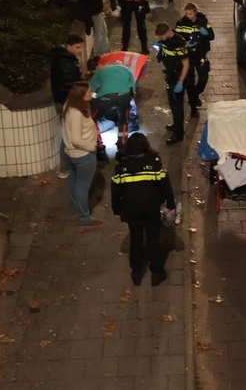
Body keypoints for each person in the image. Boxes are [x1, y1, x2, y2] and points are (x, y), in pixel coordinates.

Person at [111, 133, 175, 286]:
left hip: (131, 209)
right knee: (153, 239)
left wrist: (117, 209)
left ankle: (136, 272)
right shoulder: (154, 163)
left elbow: (115, 190)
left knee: (136, 239)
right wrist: (170, 204)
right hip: (151, 208)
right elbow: (165, 185)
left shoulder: (121, 167)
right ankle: (157, 272)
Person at [62, 82, 104, 227]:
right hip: (83, 155)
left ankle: (76, 208)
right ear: (80, 95)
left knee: (74, 182)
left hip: (72, 154)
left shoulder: (70, 107)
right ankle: (84, 218)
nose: (91, 93)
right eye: (87, 92)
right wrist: (92, 146)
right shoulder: (76, 113)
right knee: (82, 186)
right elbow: (76, 139)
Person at [50, 34, 85, 178]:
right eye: (77, 47)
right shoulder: (67, 64)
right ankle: (65, 168)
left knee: (69, 134)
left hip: (63, 101)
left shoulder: (63, 59)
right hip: (67, 102)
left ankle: (66, 167)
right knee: (69, 135)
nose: (80, 50)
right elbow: (71, 86)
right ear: (68, 46)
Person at [174, 2, 214, 117]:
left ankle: (195, 94)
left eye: (190, 14)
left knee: (203, 77)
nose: (188, 16)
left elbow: (211, 36)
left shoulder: (203, 21)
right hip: (188, 56)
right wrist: (185, 44)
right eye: (187, 13)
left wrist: (204, 32)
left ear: (195, 12)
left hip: (201, 53)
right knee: (190, 81)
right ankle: (193, 106)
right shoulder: (181, 23)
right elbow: (177, 39)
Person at [155, 22, 189, 145]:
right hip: (170, 75)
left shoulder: (179, 43)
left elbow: (186, 64)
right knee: (172, 102)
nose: (160, 39)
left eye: (161, 37)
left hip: (178, 76)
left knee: (177, 106)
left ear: (168, 32)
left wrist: (180, 82)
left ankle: (179, 134)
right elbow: (164, 51)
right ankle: (176, 125)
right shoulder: (165, 40)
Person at [88, 55, 137, 131]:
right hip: (124, 97)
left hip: (106, 97)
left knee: (92, 118)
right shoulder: (128, 70)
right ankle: (123, 141)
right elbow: (132, 91)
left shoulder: (102, 70)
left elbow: (90, 89)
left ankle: (96, 140)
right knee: (123, 121)